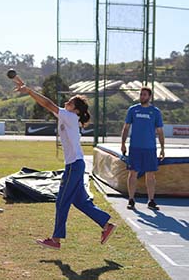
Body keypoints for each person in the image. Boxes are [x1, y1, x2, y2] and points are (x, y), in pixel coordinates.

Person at [13, 77, 116, 250]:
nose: (66, 102)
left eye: (70, 101)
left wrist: (29, 90)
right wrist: (29, 92)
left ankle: (56, 239)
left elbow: (47, 104)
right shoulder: (68, 116)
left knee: (61, 201)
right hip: (75, 165)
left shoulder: (69, 116)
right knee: (81, 202)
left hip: (74, 166)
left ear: (75, 109)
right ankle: (106, 225)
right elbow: (46, 105)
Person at [121, 87, 165, 211]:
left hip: (150, 148)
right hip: (135, 147)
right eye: (141, 94)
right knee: (133, 172)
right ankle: (131, 199)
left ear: (149, 97)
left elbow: (160, 131)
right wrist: (123, 143)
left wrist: (162, 148)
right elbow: (126, 128)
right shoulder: (133, 110)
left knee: (150, 174)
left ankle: (151, 200)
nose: (142, 97)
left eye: (144, 95)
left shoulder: (155, 112)